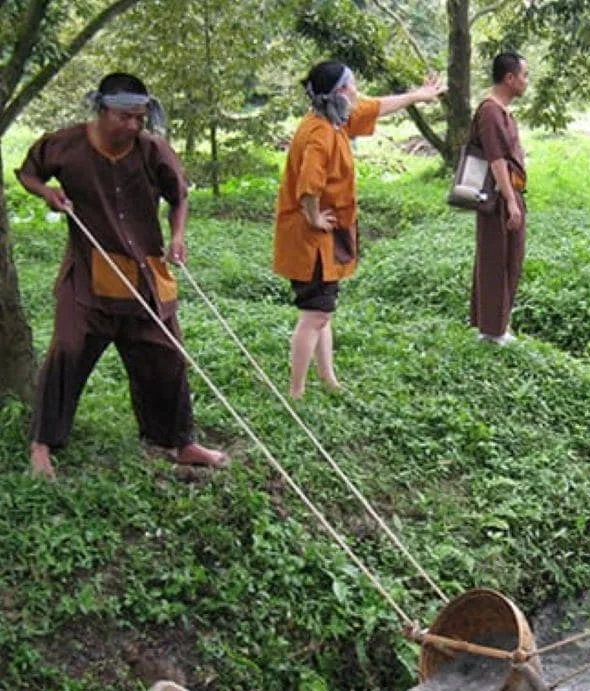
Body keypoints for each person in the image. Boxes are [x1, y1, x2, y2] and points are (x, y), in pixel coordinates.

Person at [17, 73, 227, 480]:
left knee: (167, 356)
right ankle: (42, 445)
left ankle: (179, 442)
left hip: (144, 276)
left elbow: (178, 195)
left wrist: (178, 235)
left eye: (139, 118)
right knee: (66, 352)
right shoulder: (66, 144)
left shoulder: (152, 150)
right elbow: (29, 173)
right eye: (124, 117)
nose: (133, 126)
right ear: (101, 110)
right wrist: (48, 194)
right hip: (87, 278)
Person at [273, 62, 443, 397]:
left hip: (324, 236)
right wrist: (313, 217)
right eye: (352, 86)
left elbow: (377, 105)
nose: (357, 92)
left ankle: (328, 379)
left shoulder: (334, 117)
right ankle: (296, 392)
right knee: (314, 315)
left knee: (323, 312)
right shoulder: (320, 134)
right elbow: (308, 187)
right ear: (338, 93)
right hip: (310, 240)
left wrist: (417, 96)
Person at [469, 52, 529, 346]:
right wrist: (510, 201)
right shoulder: (490, 112)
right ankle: (491, 331)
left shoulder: (503, 111)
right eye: (524, 75)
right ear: (509, 78)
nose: (526, 82)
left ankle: (498, 324)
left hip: (509, 193)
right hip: (497, 197)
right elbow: (496, 160)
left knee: (510, 257)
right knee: (495, 257)